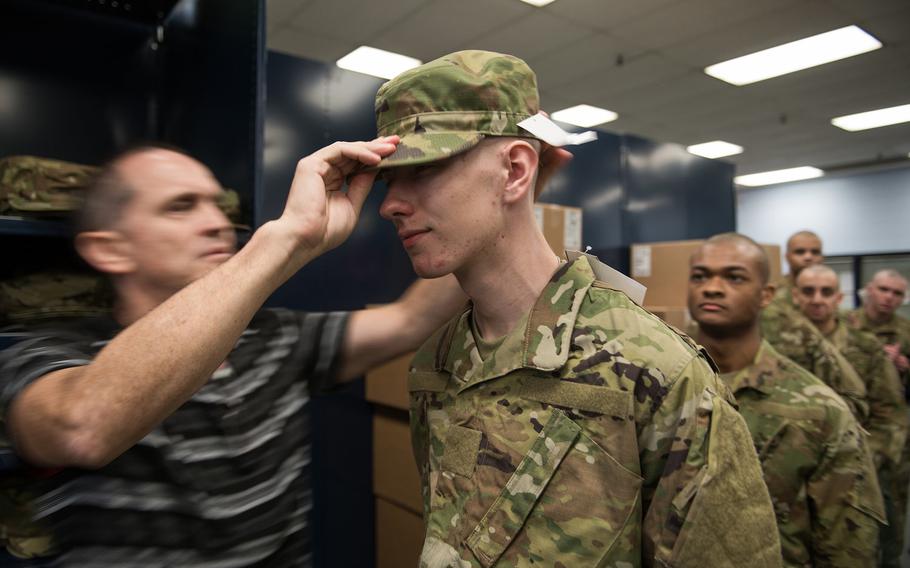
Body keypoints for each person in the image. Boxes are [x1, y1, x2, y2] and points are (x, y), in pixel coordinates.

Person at [372, 49, 781, 567]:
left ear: (515, 171)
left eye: (424, 169)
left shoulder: (655, 371)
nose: (390, 205)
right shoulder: (435, 363)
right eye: (388, 180)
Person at [0, 141, 470, 565]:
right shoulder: (50, 354)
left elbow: (412, 321)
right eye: (180, 207)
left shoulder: (274, 337)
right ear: (109, 250)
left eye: (216, 204)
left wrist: (498, 209)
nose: (218, 224)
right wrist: (285, 239)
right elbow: (81, 427)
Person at [687, 233, 885, 567]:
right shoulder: (659, 384)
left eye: (734, 277)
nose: (712, 288)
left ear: (766, 295)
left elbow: (849, 547)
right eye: (700, 276)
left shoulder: (819, 412)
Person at [792, 264, 908, 566]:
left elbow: (891, 415)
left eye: (826, 292)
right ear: (795, 296)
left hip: (861, 463)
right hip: (794, 464)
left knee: (873, 541)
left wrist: (862, 460)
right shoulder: (777, 345)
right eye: (808, 291)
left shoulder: (865, 346)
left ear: (838, 298)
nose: (817, 299)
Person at [846, 269, 910, 567]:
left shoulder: (906, 332)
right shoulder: (844, 324)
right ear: (869, 289)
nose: (888, 298)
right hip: (849, 425)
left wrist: (903, 365)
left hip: (893, 435)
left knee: (891, 508)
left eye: (897, 293)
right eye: (883, 289)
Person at [770, 230, 823, 313]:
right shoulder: (773, 294)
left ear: (822, 257)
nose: (808, 257)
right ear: (787, 257)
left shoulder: (829, 292)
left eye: (815, 252)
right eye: (800, 252)